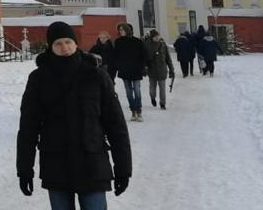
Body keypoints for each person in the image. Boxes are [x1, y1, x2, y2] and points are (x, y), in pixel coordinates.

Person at [16, 21, 132, 210]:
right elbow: (28, 127)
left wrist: (123, 168)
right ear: (51, 47)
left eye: (68, 42)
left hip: (92, 163)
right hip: (56, 165)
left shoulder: (96, 75)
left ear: (76, 43)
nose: (64, 48)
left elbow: (116, 124)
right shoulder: (39, 79)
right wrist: (24, 169)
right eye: (58, 44)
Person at [113, 22, 147, 122]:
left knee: (137, 91)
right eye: (119, 30)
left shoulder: (137, 41)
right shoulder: (118, 42)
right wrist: (118, 66)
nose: (120, 31)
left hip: (136, 70)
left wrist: (143, 67)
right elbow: (115, 55)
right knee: (128, 92)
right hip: (124, 70)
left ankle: (139, 111)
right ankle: (133, 111)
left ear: (127, 30)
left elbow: (144, 55)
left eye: (122, 29)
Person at [143, 30, 174, 110]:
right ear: (152, 37)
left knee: (162, 89)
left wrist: (171, 69)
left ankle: (162, 103)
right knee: (152, 89)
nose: (157, 38)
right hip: (152, 71)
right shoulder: (147, 45)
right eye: (155, 36)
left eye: (158, 36)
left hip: (162, 70)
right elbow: (144, 58)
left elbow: (168, 59)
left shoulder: (163, 45)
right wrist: (144, 67)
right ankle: (153, 98)